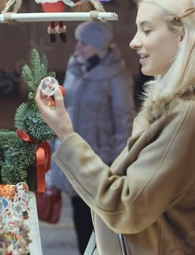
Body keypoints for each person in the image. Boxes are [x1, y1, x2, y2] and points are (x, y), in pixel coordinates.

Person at [36, 0, 195, 255]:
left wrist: (66, 134)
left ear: (183, 36)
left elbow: (125, 207)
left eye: (146, 30)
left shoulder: (188, 113)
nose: (134, 41)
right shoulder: (183, 107)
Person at [49, 21, 135, 254]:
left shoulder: (117, 75)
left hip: (101, 163)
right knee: (80, 218)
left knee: (101, 226)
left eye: (84, 43)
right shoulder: (75, 66)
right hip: (74, 156)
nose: (78, 47)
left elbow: (124, 121)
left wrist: (120, 165)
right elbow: (66, 109)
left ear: (99, 45)